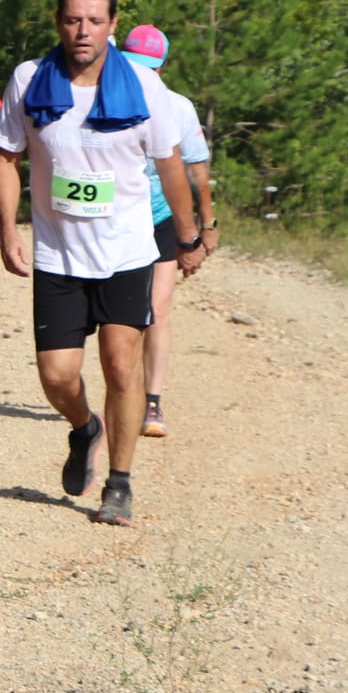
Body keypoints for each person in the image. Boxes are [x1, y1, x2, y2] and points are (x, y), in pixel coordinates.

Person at [0, 0, 203, 527]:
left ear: (112, 24)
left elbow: (171, 165)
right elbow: (6, 157)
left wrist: (188, 235)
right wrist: (7, 229)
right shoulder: (29, 80)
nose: (82, 31)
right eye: (72, 19)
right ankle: (86, 428)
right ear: (58, 21)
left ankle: (120, 484)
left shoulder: (141, 84)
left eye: (94, 21)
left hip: (126, 251)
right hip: (58, 255)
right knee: (58, 375)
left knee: (120, 365)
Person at [118, 25, 219, 439]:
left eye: (148, 69)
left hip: (160, 217)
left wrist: (205, 227)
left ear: (161, 68)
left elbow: (197, 169)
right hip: (117, 220)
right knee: (121, 315)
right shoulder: (104, 99)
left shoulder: (177, 107)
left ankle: (152, 402)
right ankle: (123, 392)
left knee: (156, 309)